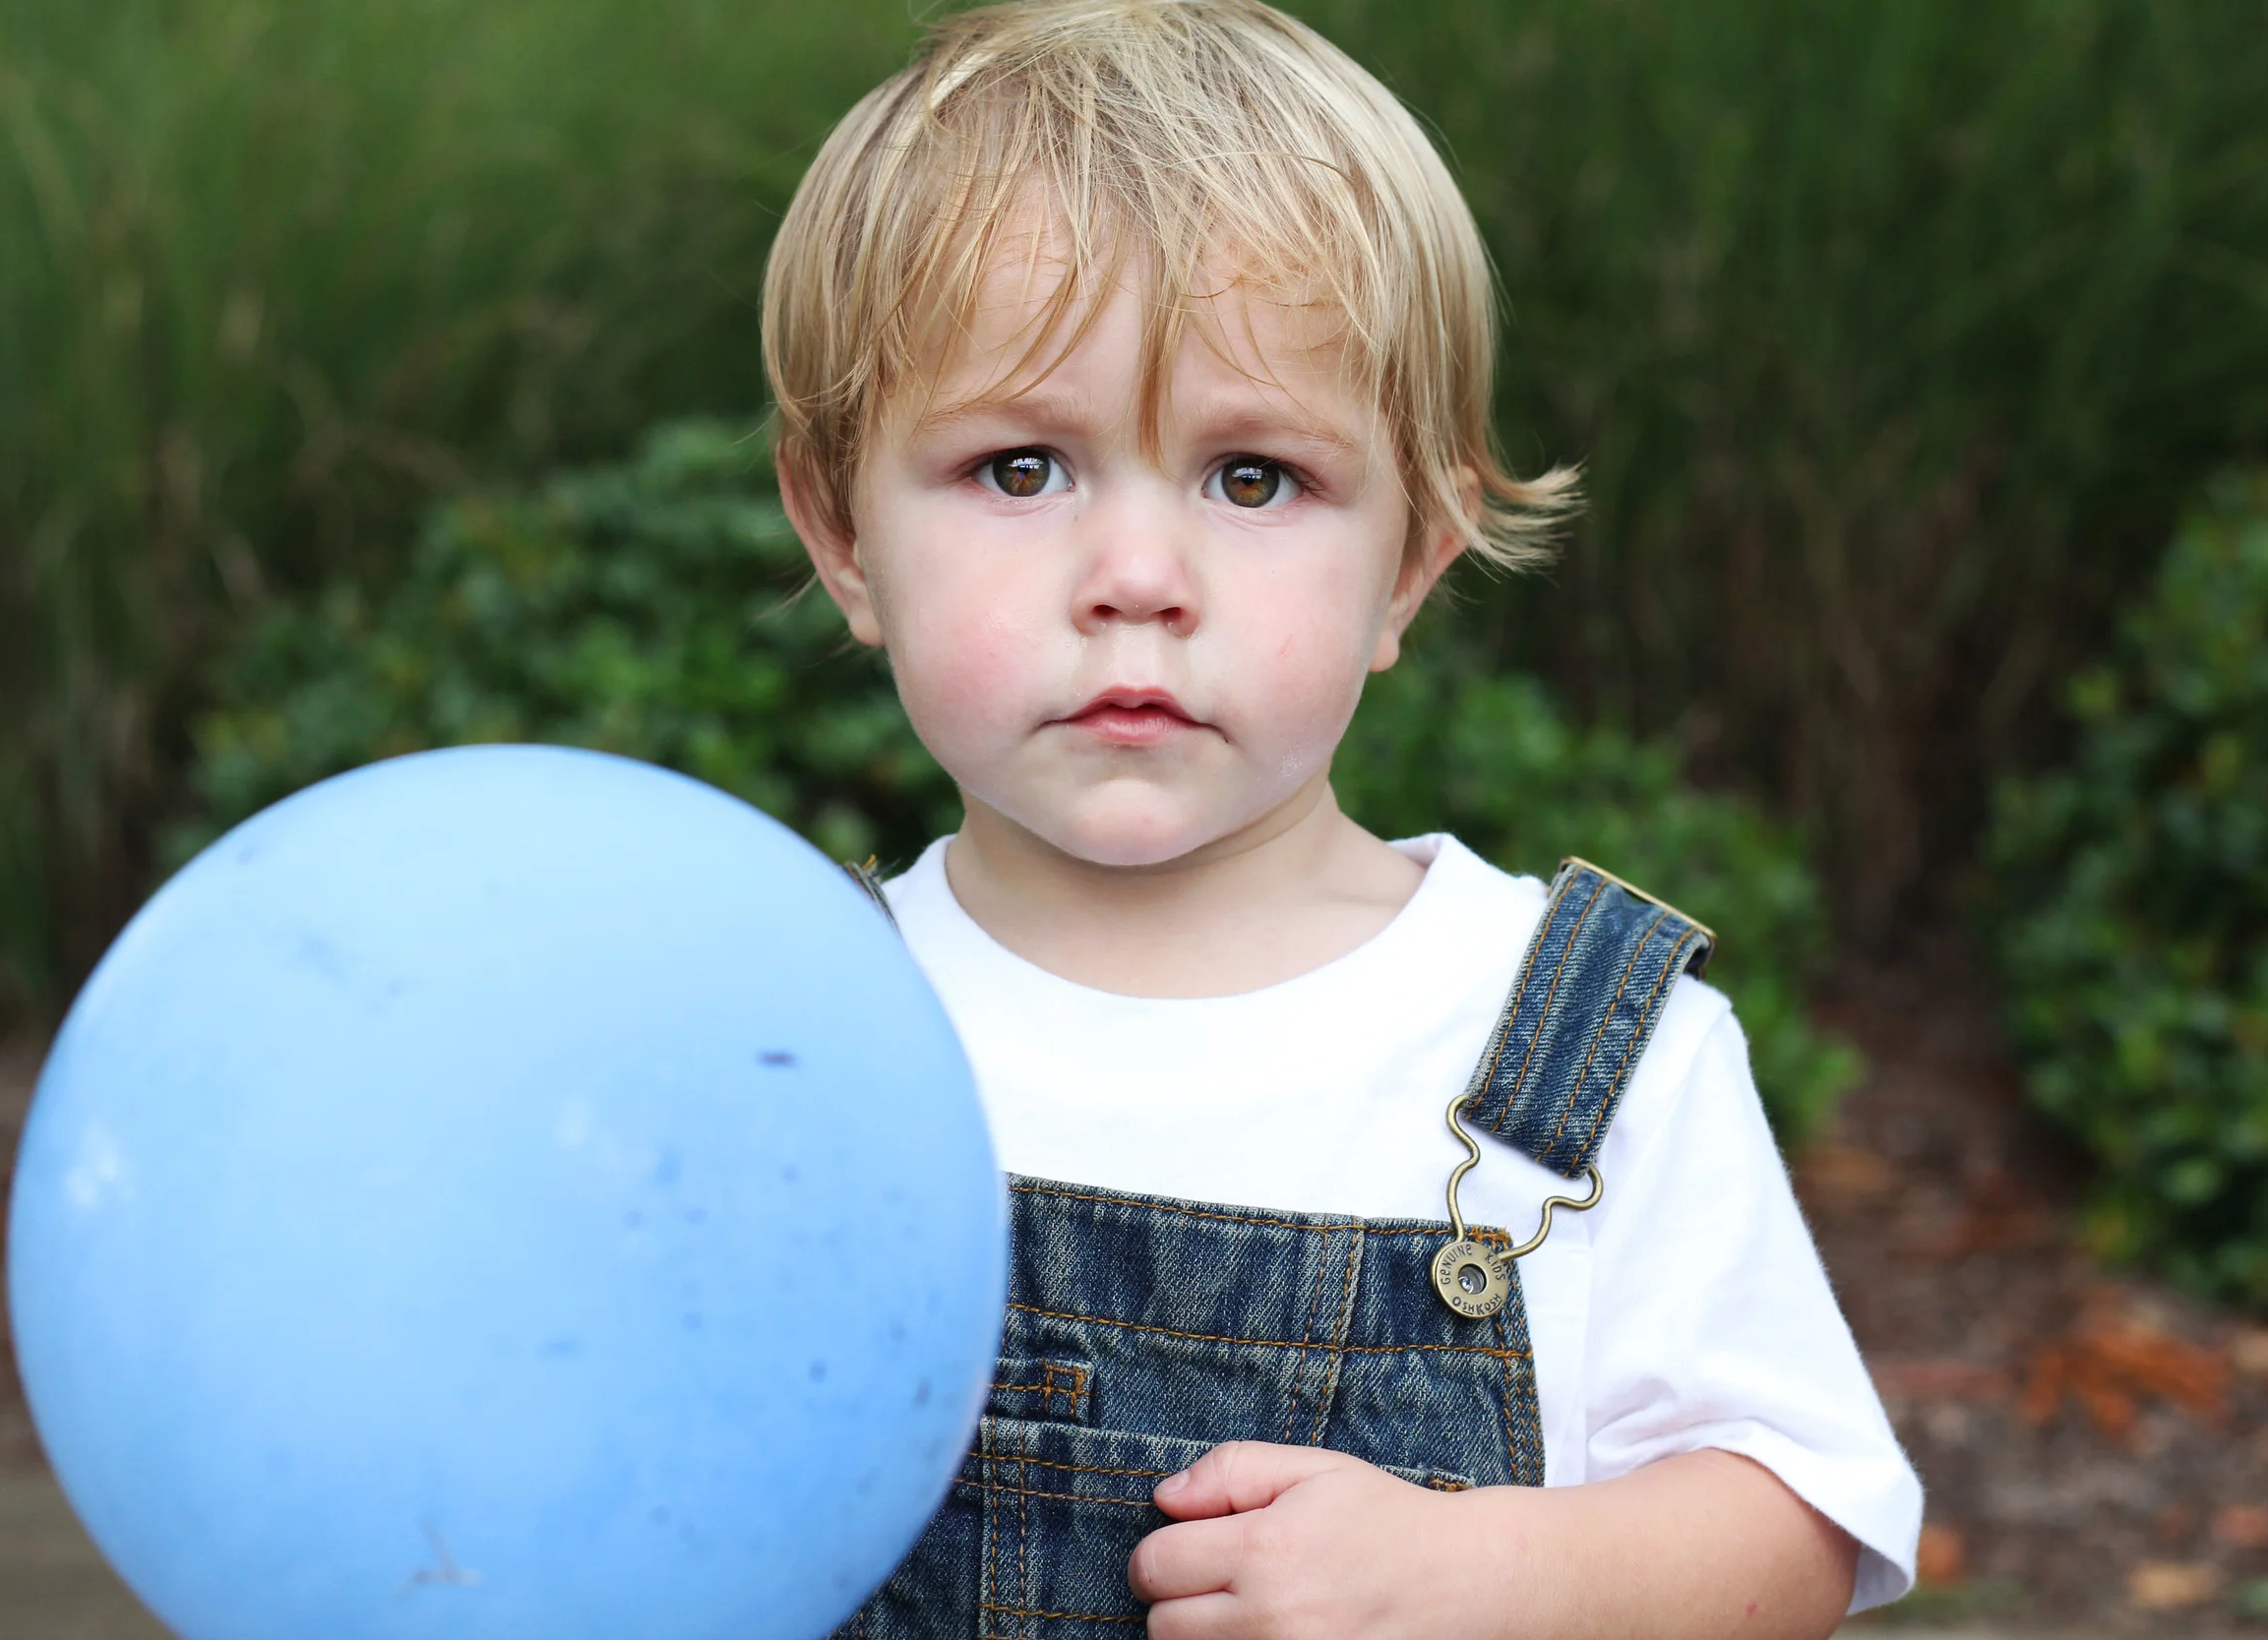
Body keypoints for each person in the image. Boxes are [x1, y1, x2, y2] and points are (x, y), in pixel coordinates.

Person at [762, 1, 1923, 1633]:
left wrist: (1479, 1575)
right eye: (1023, 467)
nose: (1137, 579)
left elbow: (1798, 1527)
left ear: (1412, 562)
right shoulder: (773, 1029)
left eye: (1253, 477)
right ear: (841, 534)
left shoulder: (1578, 1053)